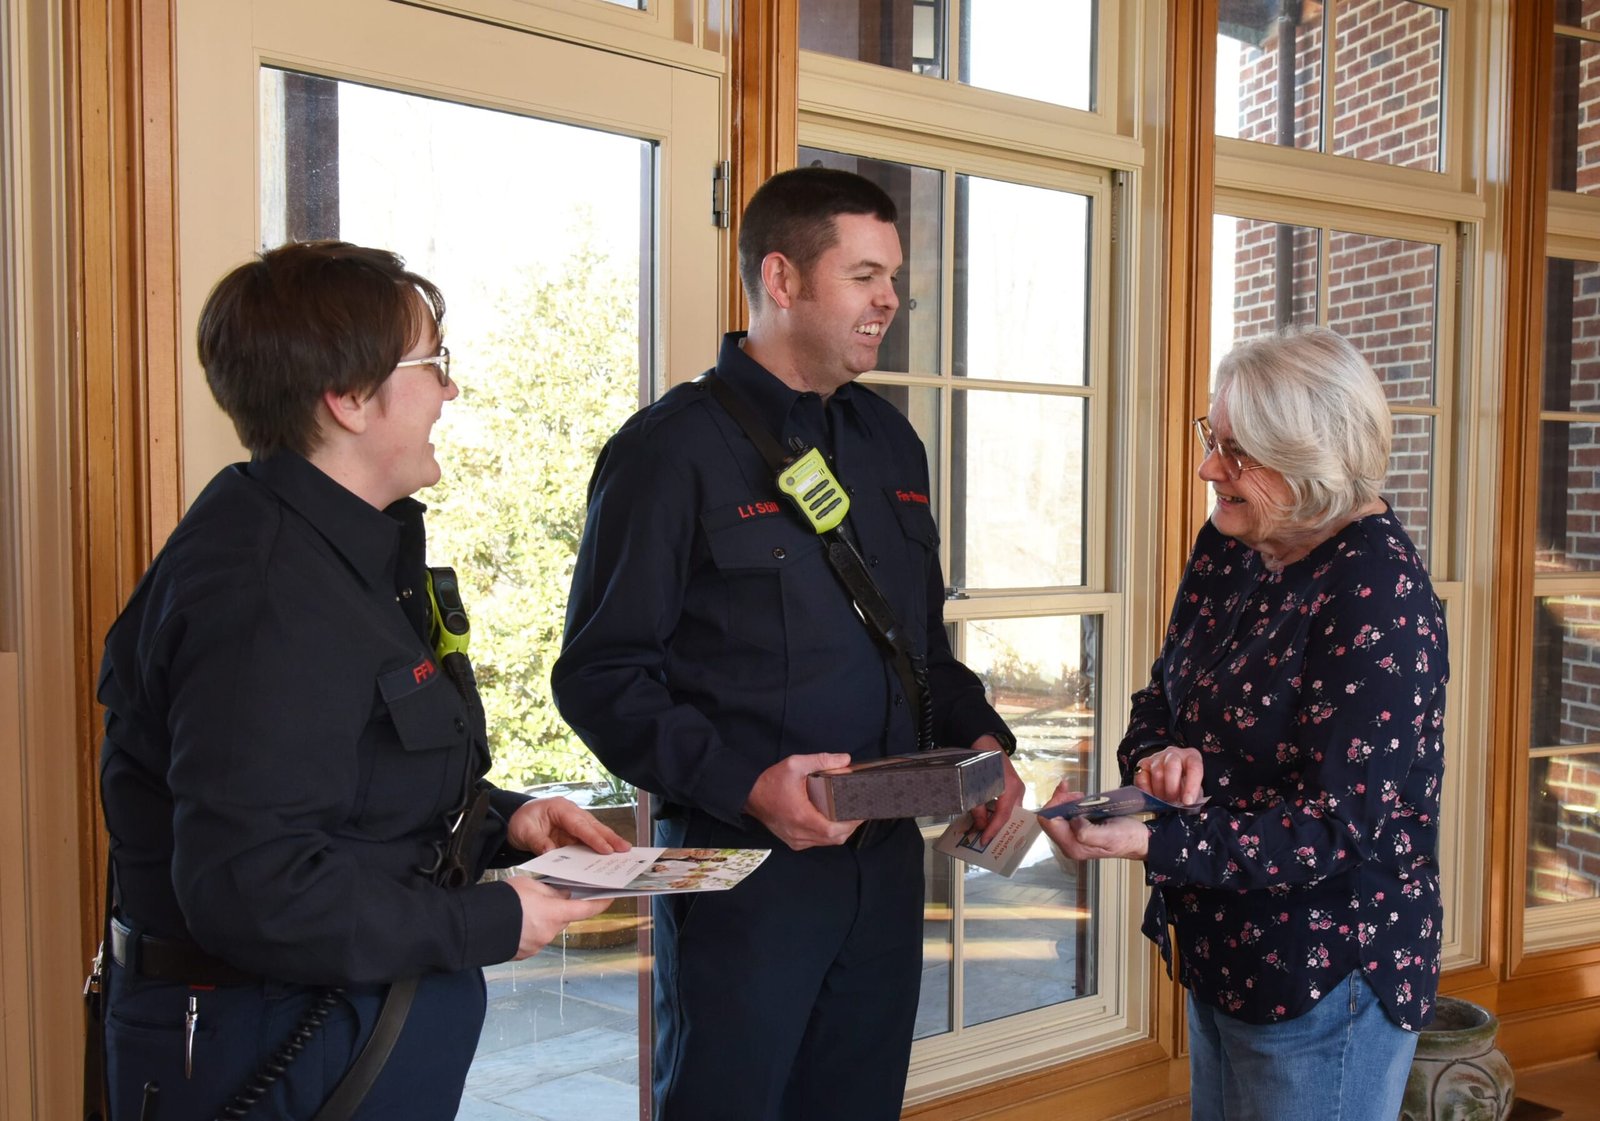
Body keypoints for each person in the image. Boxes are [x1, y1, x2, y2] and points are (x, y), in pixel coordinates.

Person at [94, 241, 629, 1121]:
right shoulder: (262, 590)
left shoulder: (340, 553)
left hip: (352, 1026)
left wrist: (504, 820)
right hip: (274, 1044)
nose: (449, 391)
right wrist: (492, 921)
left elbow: (344, 776)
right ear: (346, 398)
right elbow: (252, 884)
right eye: (433, 364)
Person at [551, 166, 1024, 1120]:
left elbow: (920, 646)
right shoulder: (668, 451)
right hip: (746, 880)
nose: (891, 297)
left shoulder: (893, 445)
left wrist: (983, 745)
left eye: (895, 276)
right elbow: (600, 677)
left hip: (884, 866)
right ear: (782, 278)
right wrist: (744, 783)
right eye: (864, 274)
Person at [1040, 327, 1448, 1121]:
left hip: (1325, 974)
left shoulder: (1378, 594)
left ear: (1312, 459)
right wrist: (1159, 760)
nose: (1207, 468)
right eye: (1212, 438)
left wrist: (1152, 837)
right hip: (1226, 949)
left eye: (1237, 451)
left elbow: (1332, 828)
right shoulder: (1234, 542)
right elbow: (1159, 697)